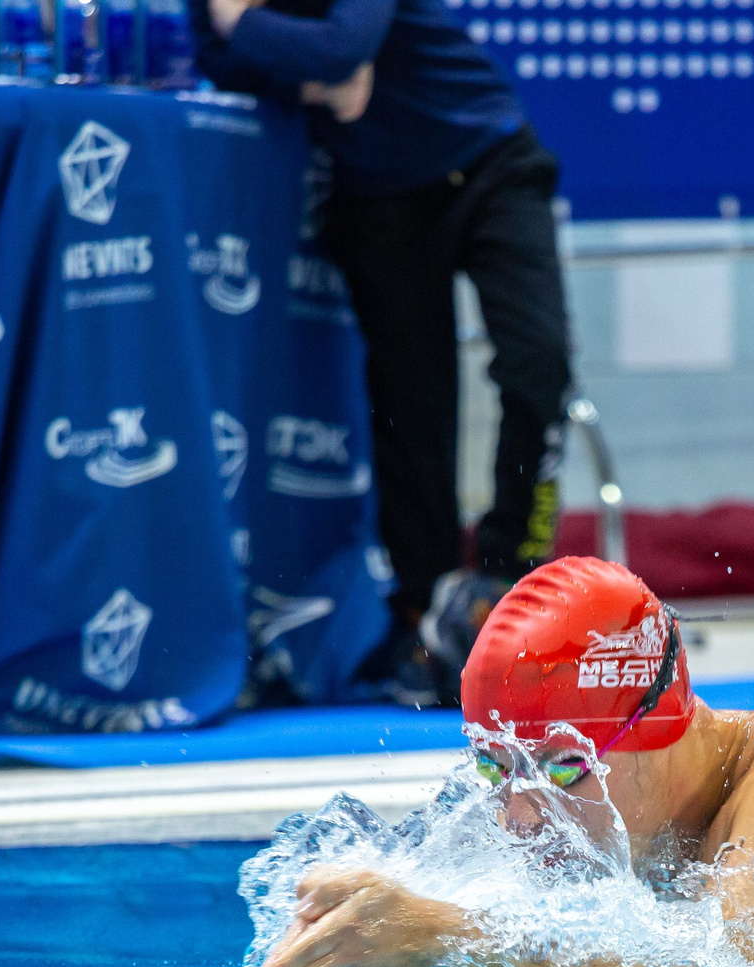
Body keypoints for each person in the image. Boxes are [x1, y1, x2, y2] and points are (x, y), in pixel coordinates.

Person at [242, 557, 754, 967]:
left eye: (563, 768)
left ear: (660, 724)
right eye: (497, 768)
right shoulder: (608, 820)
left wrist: (441, 937)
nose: (520, 817)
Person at [195, 0, 573, 705]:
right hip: (381, 201)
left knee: (538, 364)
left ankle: (509, 576)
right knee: (412, 411)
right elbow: (211, 63)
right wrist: (307, 81)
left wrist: (242, 22)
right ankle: (426, 613)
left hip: (488, 161)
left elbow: (341, 45)